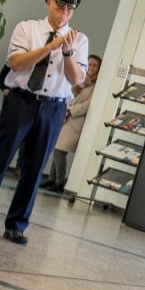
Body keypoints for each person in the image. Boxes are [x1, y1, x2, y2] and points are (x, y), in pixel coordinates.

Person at [0, 0, 89, 245]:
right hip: (21, 102)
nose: (64, 10)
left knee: (34, 169)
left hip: (54, 107)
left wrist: (66, 51)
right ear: (49, 3)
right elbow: (17, 63)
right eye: (60, 3)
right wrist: (49, 47)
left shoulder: (79, 40)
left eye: (70, 6)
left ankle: (16, 225)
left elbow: (76, 79)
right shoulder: (27, 28)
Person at [42, 53, 100, 193]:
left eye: (95, 65)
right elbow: (69, 93)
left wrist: (70, 111)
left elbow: (87, 105)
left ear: (99, 68)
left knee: (60, 151)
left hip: (75, 121)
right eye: (90, 64)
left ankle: (60, 182)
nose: (91, 67)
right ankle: (52, 178)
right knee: (56, 148)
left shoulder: (97, 86)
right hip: (65, 117)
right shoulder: (81, 80)